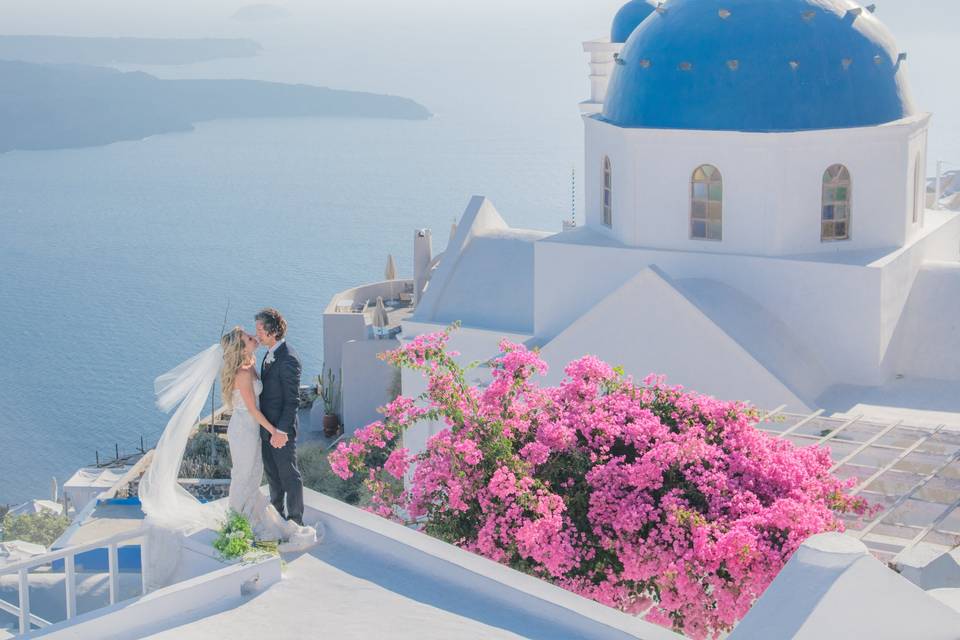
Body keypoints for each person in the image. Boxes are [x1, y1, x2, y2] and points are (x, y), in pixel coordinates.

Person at [220, 325, 315, 549]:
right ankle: (236, 523)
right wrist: (275, 431)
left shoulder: (253, 362)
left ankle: (247, 519)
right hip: (244, 428)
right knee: (243, 475)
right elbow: (253, 410)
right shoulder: (243, 373)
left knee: (254, 474)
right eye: (249, 338)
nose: (255, 338)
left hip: (254, 429)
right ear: (241, 348)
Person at [254, 308, 306, 525]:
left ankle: (295, 522)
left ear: (272, 331)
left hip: (281, 432)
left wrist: (281, 432)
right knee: (273, 477)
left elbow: (292, 400)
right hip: (268, 429)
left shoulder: (288, 359)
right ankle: (277, 519)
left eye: (259, 329)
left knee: (289, 477)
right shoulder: (270, 353)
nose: (256, 334)